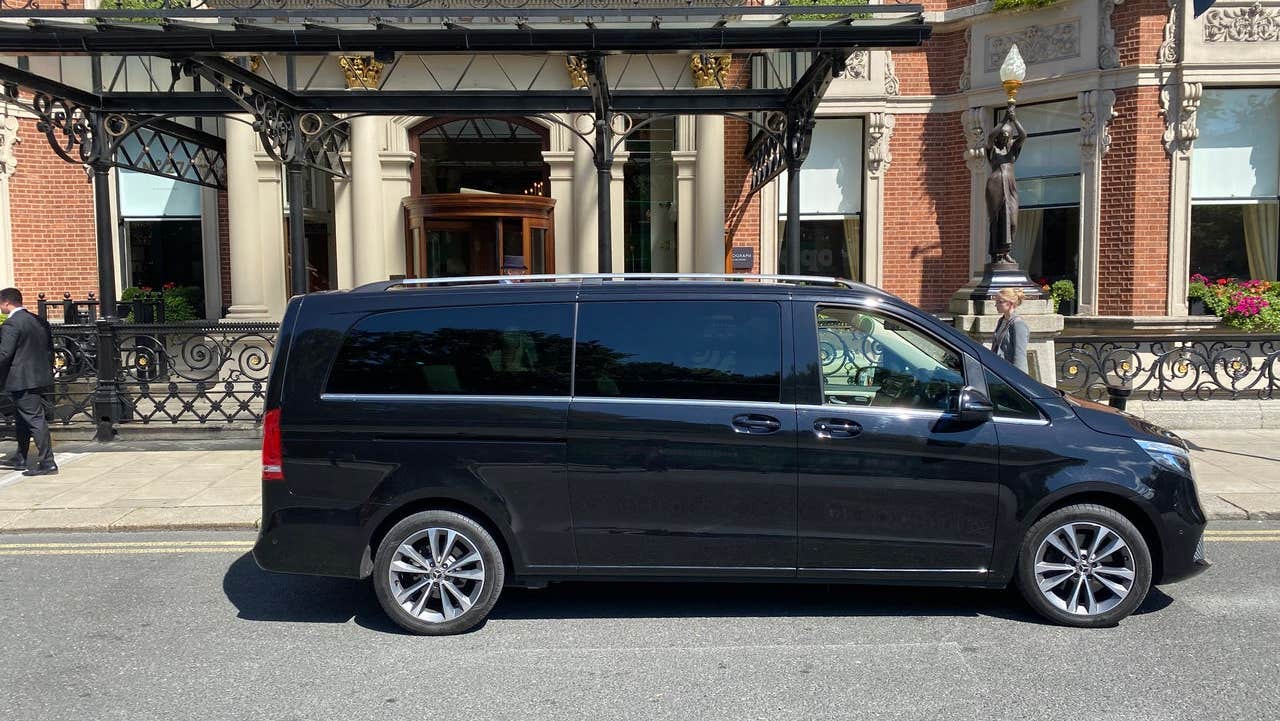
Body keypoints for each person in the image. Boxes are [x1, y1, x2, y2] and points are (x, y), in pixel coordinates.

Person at [0, 287, 56, 475]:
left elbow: (4, 354)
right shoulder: (38, 320)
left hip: (21, 379)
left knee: (34, 419)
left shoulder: (12, 324)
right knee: (22, 419)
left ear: (6, 303)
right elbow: (49, 348)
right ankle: (21, 456)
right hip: (37, 376)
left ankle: (48, 462)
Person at [984, 109, 1027, 265]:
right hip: (995, 186)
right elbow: (989, 137)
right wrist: (1003, 120)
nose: (1005, 137)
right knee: (996, 220)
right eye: (1002, 135)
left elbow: (1023, 136)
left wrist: (1014, 120)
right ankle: (997, 255)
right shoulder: (992, 150)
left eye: (1008, 135)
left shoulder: (1013, 151)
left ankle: (1006, 251)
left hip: (1010, 186)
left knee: (1012, 221)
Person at [991, 288, 1030, 373]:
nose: (996, 305)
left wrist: (1018, 378)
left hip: (1010, 373)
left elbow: (1020, 355)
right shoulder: (1001, 321)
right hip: (998, 370)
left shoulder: (1018, 324)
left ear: (1010, 303)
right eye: (996, 302)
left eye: (999, 302)